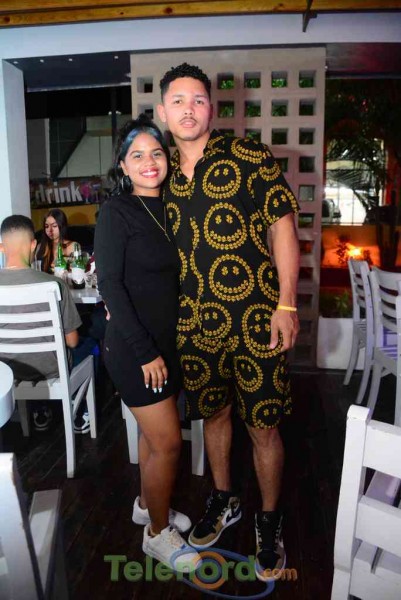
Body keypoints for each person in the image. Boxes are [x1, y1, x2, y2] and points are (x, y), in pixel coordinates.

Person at [157, 63, 300, 581]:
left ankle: (269, 519)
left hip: (256, 319)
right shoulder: (159, 173)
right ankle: (224, 499)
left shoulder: (249, 156)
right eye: (178, 100)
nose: (189, 109)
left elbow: (283, 227)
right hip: (194, 324)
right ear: (163, 111)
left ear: (211, 109)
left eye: (198, 99)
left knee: (263, 425)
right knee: (213, 417)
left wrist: (287, 304)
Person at [94, 114, 201, 573]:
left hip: (166, 344)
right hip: (136, 350)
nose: (148, 161)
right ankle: (157, 534)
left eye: (156, 152)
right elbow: (110, 285)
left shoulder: (172, 207)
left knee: (150, 438)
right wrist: (146, 352)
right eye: (136, 155)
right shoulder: (116, 212)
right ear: (123, 166)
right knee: (168, 444)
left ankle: (146, 504)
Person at [0, 215, 85, 432]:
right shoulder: (54, 284)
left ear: (1, 248)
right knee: (90, 346)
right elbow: (72, 342)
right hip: (50, 369)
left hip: (6, 370)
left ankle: (38, 412)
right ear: (33, 245)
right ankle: (80, 412)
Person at [36, 208, 79, 273]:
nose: (50, 230)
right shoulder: (41, 246)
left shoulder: (73, 246)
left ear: (62, 226)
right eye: (46, 226)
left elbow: (77, 271)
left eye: (54, 226)